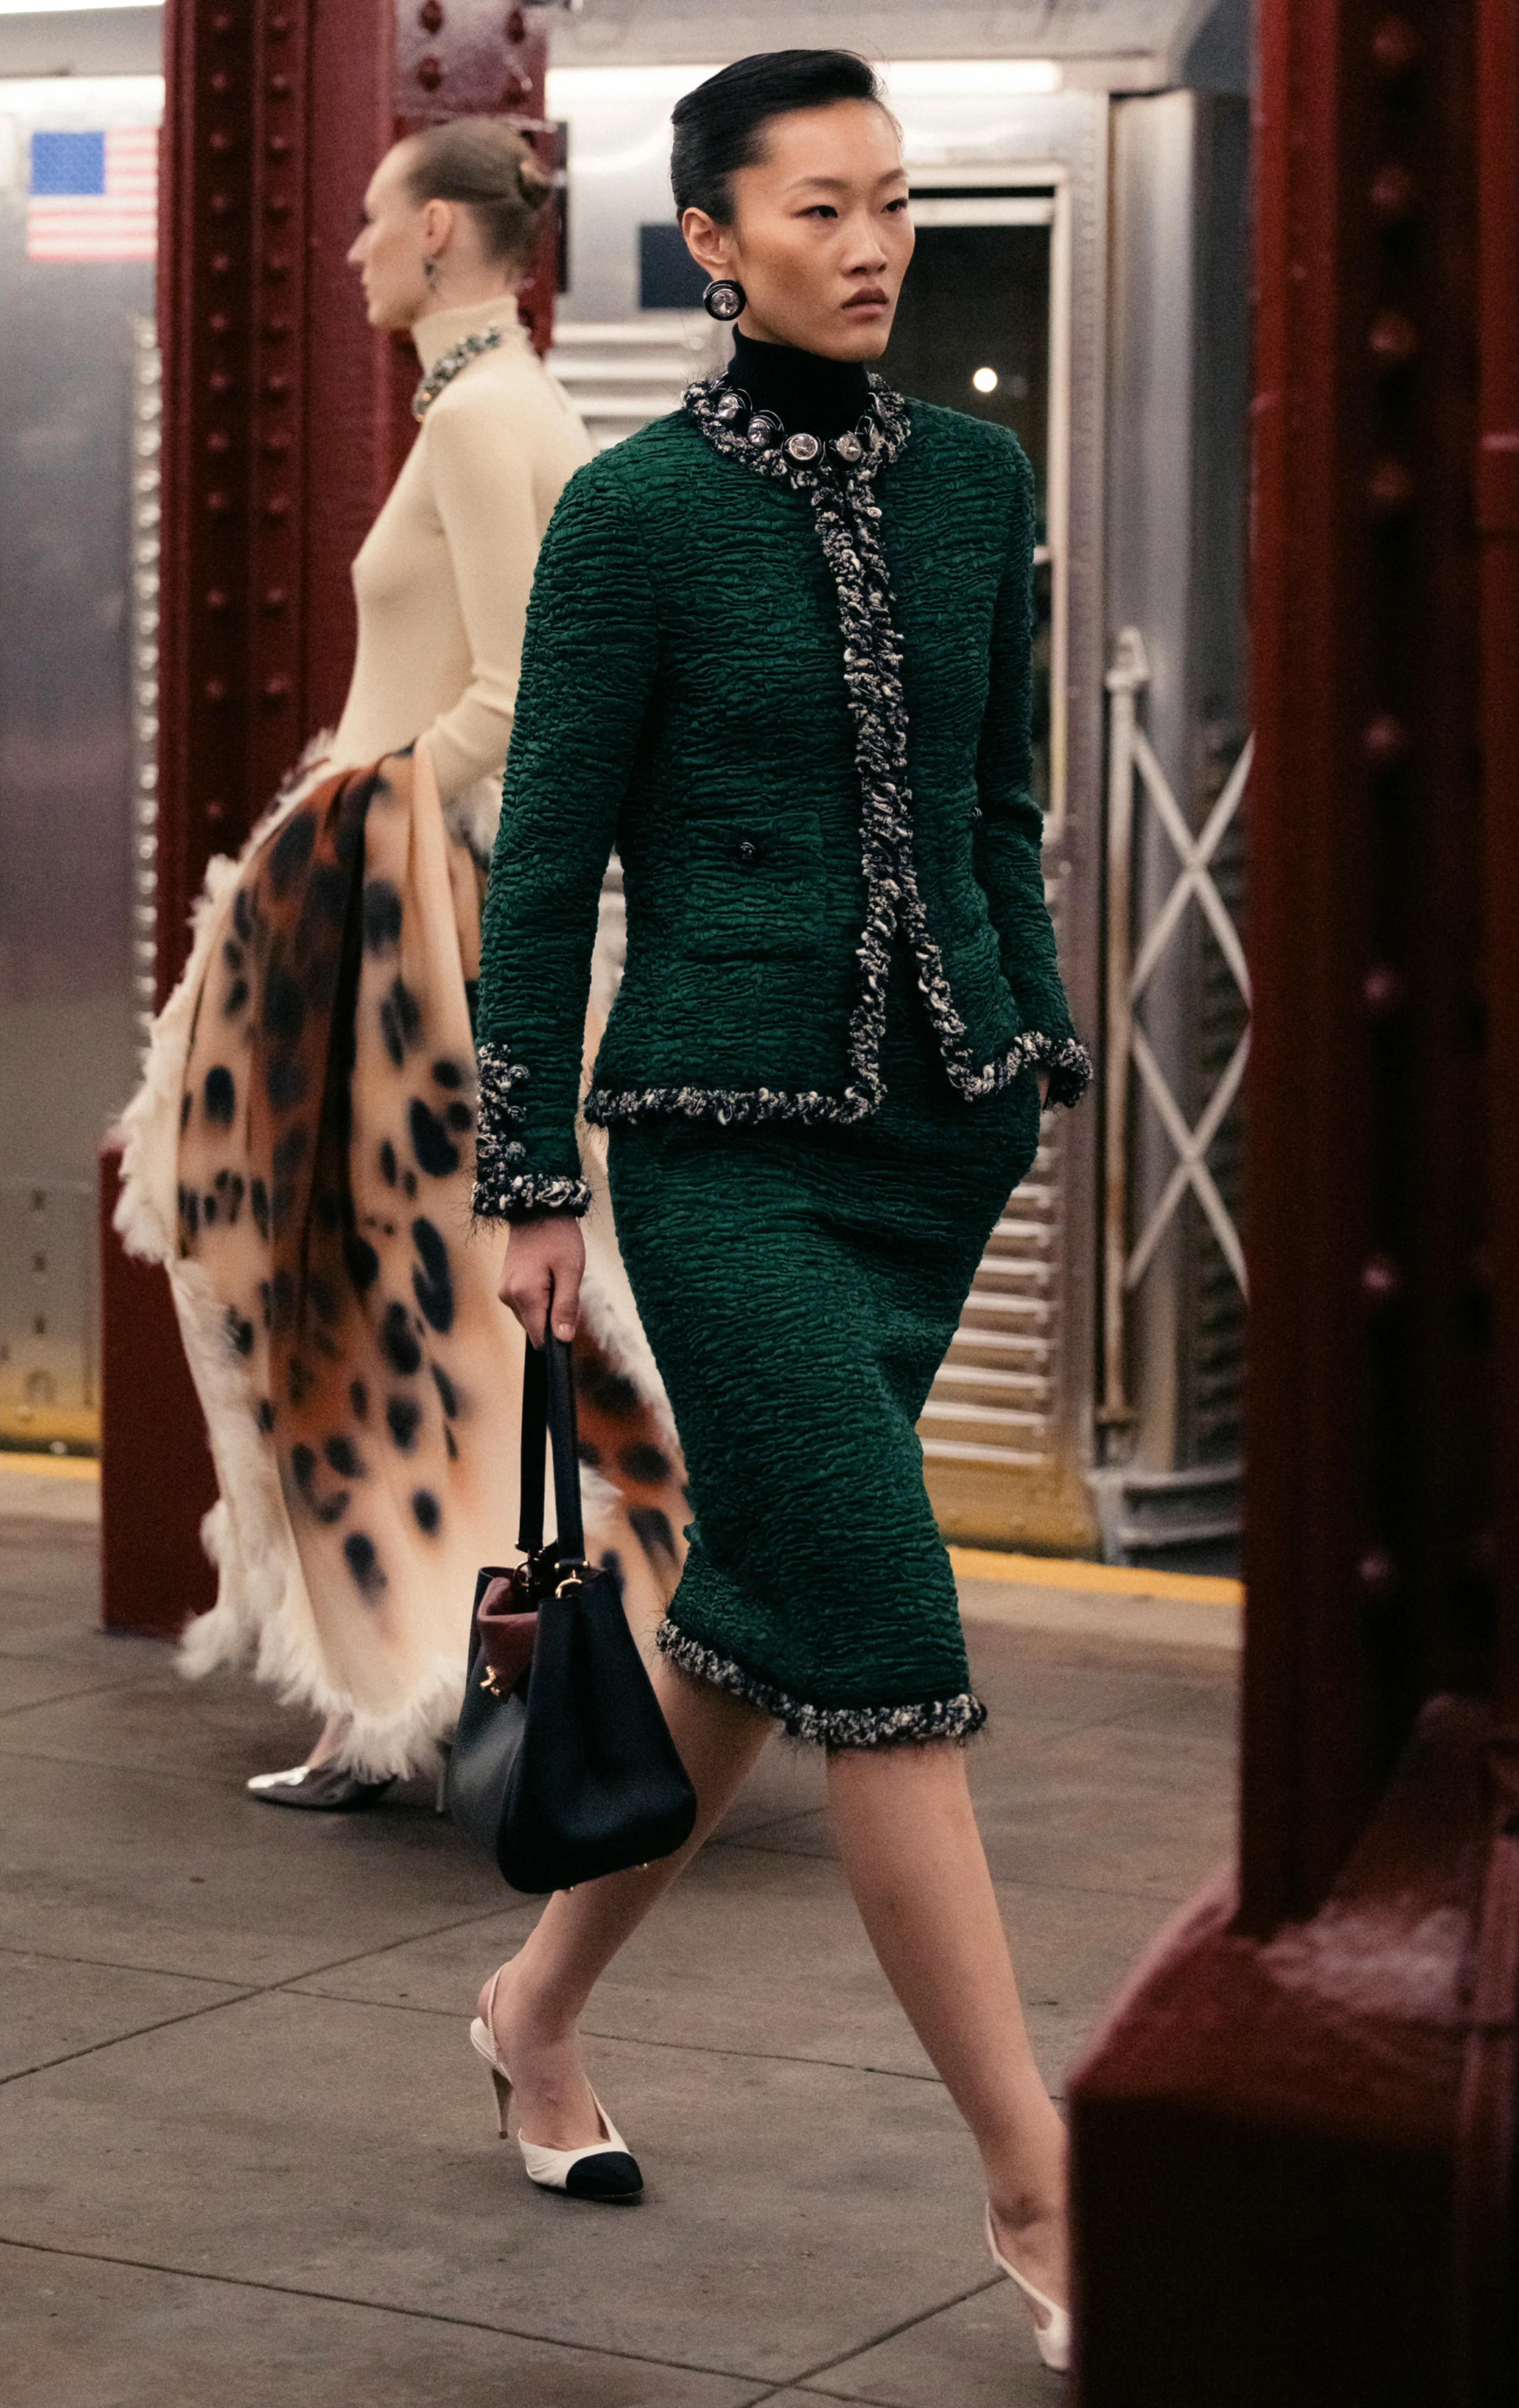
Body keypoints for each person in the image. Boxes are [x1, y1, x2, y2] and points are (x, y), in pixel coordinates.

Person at [467, 51, 1091, 2376]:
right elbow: (546, 870)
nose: (873, 243)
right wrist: (529, 1176)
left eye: (893, 201)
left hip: (936, 1148)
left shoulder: (979, 485)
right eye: (819, 207)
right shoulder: (630, 517)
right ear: (711, 244)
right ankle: (1036, 2183)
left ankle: (533, 2011)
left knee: (758, 1617)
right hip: (720, 1153)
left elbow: (999, 800)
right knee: (890, 1635)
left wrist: (1028, 1042)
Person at [115, 118, 686, 1807]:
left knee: (384, 1290)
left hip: (400, 912)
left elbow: (517, 692)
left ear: (440, 231)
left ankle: (429, 1682)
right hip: (409, 899)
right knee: (401, 1291)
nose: (351, 248)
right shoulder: (497, 404)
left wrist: (339, 819)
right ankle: (408, 1687)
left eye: (372, 220)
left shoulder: (489, 415)